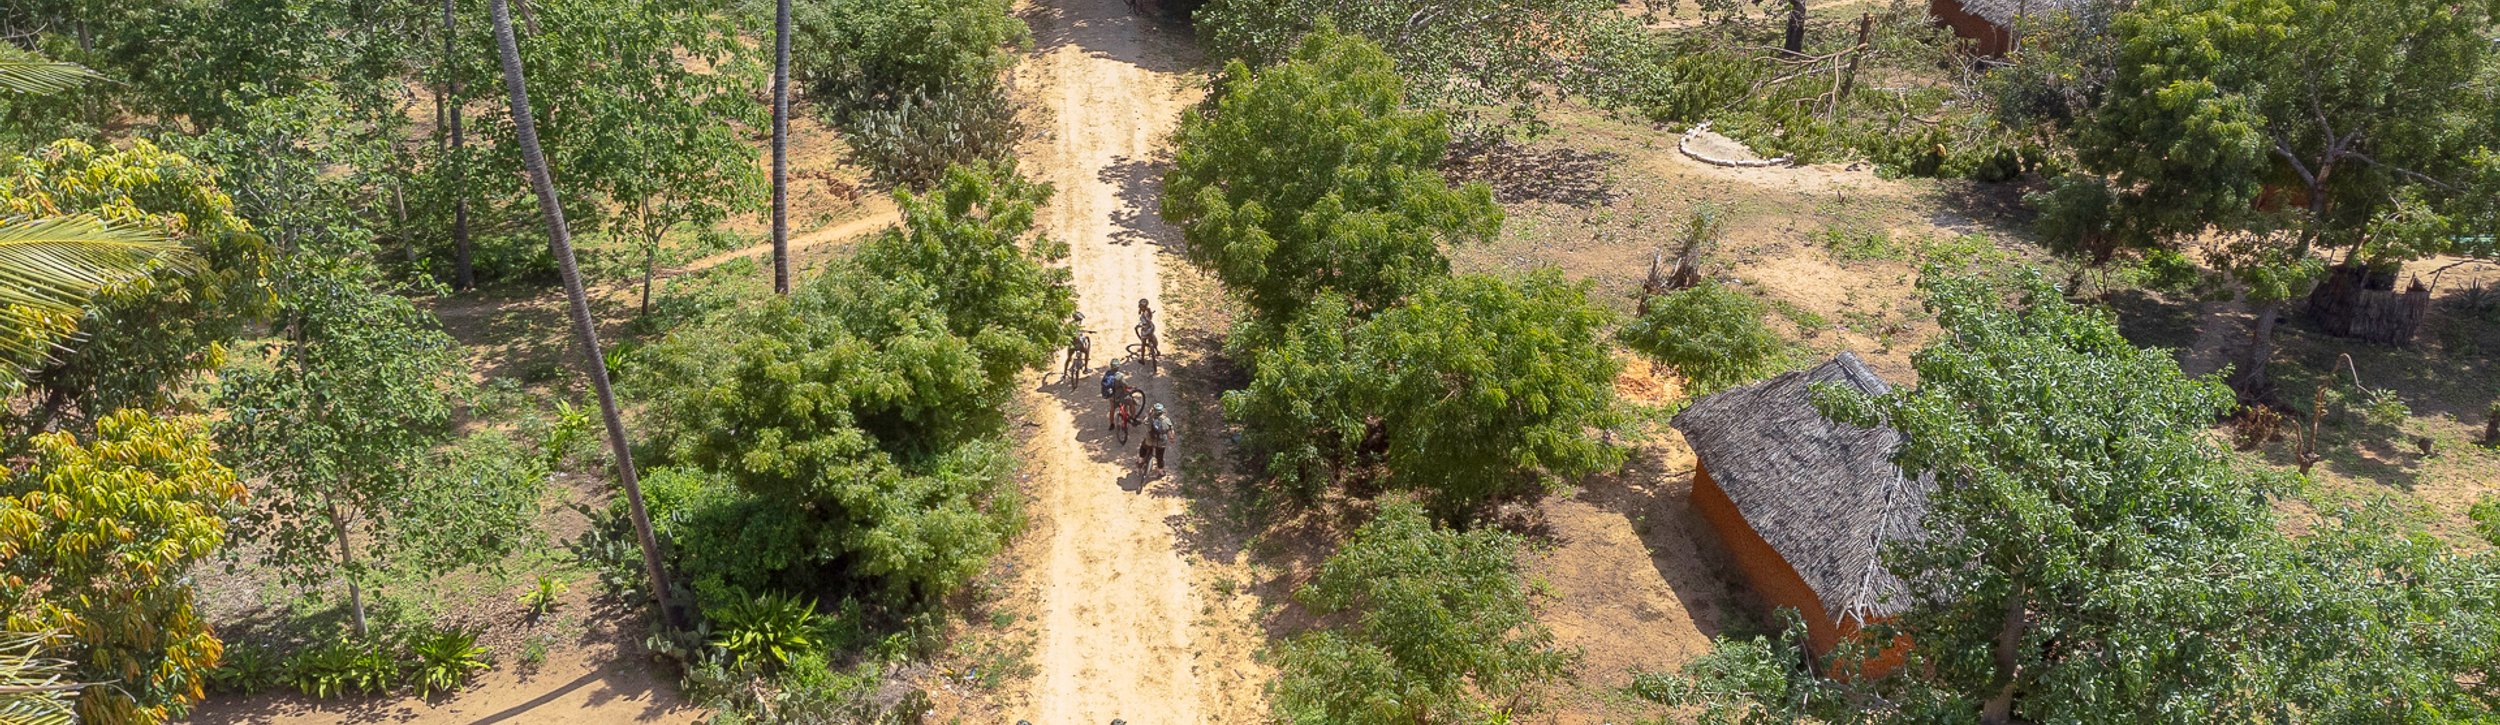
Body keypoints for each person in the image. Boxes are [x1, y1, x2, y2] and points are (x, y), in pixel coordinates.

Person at [1139, 403, 1171, 473]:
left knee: (1143, 446)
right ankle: (1160, 471)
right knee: (1160, 457)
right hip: (1161, 442)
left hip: (1150, 439)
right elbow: (1170, 434)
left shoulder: (1150, 418)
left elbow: (1144, 422)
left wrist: (1149, 414)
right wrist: (1171, 439)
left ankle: (1140, 461)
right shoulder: (1166, 420)